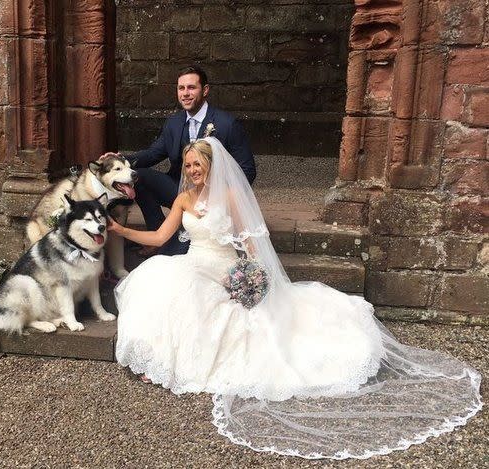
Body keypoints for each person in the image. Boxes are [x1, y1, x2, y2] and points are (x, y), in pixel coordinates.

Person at [107, 137, 482, 460]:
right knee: (162, 285)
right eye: (187, 165)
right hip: (193, 264)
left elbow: (252, 244)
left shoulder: (232, 196)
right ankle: (162, 362)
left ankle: (184, 364)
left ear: (210, 164)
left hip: (225, 270)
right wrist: (120, 228)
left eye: (197, 164)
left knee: (212, 306)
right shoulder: (184, 199)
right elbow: (158, 240)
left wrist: (253, 277)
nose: (191, 170)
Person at [127, 65, 256, 256]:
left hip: (212, 197)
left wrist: (220, 198)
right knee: (140, 177)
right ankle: (160, 235)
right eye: (181, 88)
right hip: (179, 190)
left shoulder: (226, 124)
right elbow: (153, 153)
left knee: (179, 255)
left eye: (191, 88)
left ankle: (177, 241)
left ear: (205, 90)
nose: (185, 94)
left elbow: (247, 169)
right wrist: (120, 161)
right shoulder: (173, 123)